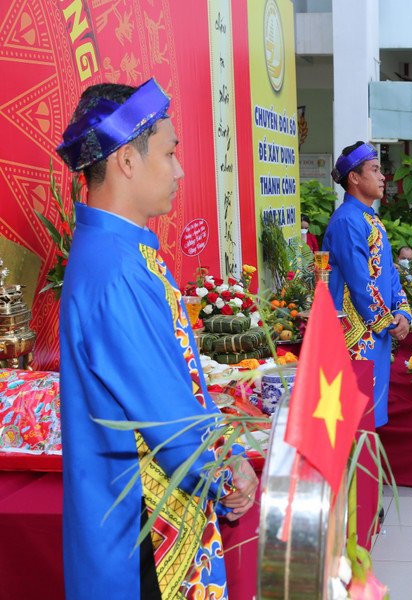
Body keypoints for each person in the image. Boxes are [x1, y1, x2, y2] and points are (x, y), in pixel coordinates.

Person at [56, 79, 257, 599]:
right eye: (169, 153)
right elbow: (168, 416)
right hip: (144, 527)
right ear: (126, 159)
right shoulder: (116, 269)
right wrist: (225, 470)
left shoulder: (119, 251)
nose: (179, 170)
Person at [323, 141, 412, 426]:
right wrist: (388, 322)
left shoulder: (370, 219)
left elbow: (390, 273)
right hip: (355, 336)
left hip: (374, 331)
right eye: (374, 170)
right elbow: (360, 282)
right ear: (354, 177)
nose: (383, 176)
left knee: (367, 416)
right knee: (353, 419)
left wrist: (402, 311)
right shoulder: (347, 221)